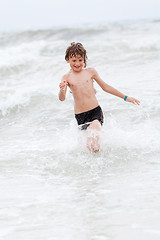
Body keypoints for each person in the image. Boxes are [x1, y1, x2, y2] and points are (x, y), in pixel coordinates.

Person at [58, 42, 140, 153]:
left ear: (84, 60)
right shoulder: (67, 77)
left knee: (92, 141)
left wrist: (126, 97)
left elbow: (106, 87)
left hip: (95, 112)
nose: (77, 63)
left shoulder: (90, 72)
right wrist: (62, 90)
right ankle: (99, 164)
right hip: (80, 116)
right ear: (67, 60)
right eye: (74, 60)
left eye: (80, 60)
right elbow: (62, 98)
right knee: (92, 148)